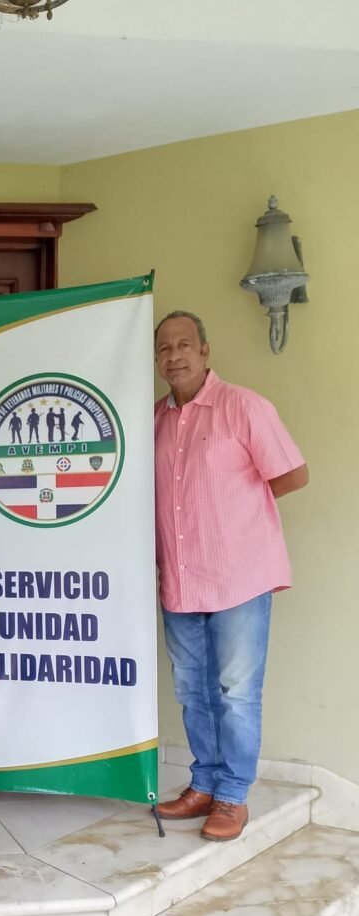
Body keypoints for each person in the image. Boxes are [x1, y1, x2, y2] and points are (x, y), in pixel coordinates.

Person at [153, 310, 308, 841]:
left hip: (239, 575)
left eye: (184, 345)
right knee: (192, 689)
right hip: (180, 580)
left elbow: (292, 474)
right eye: (164, 348)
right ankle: (203, 784)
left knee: (236, 691)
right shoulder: (154, 421)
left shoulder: (243, 407)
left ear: (205, 351)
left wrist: (236, 510)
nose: (174, 355)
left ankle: (233, 795)